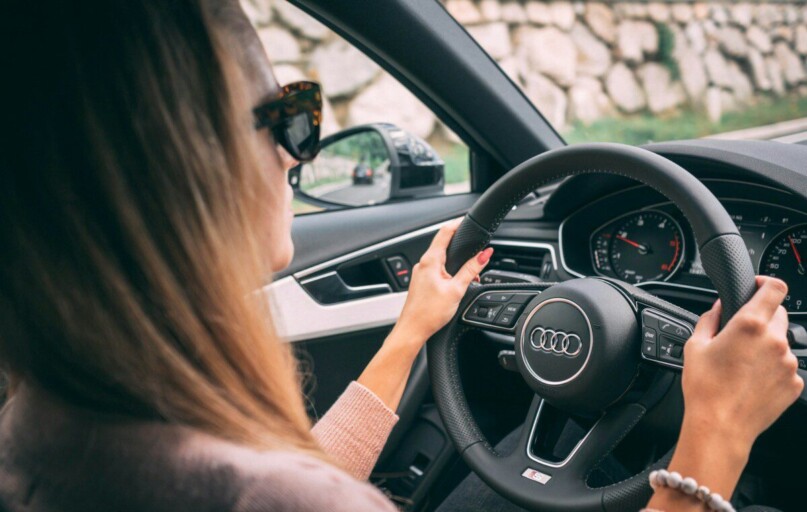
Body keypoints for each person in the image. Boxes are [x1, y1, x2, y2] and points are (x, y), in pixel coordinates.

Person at [0, 1, 800, 511]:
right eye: (291, 118)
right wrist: (714, 434)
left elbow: (306, 473)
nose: (296, 155)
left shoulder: (39, 426)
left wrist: (409, 334)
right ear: (187, 161)